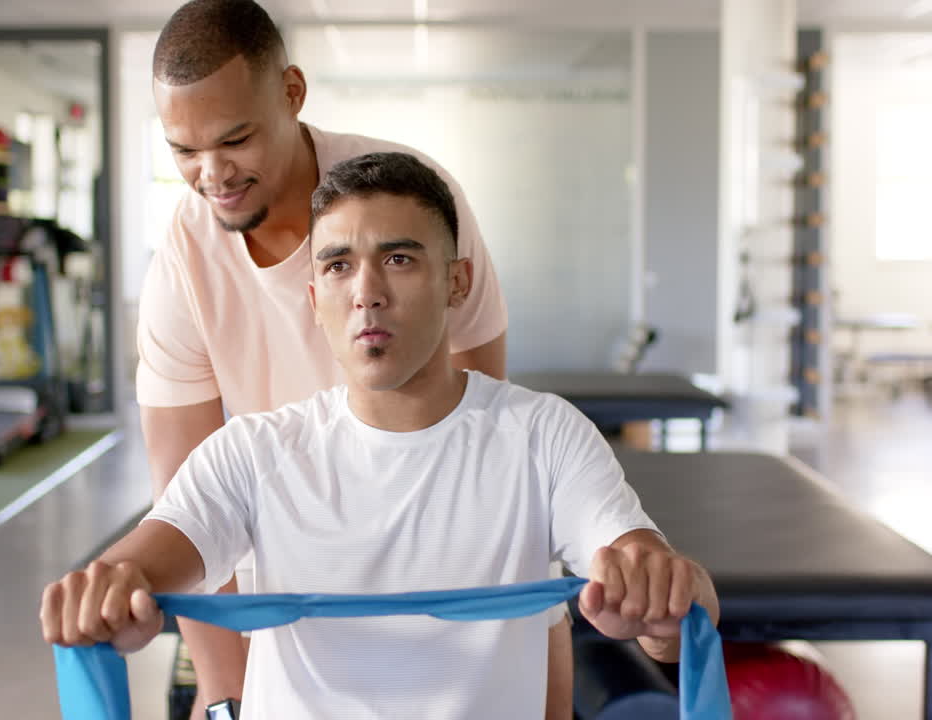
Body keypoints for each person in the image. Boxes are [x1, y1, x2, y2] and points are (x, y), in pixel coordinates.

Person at [43, 152, 720, 720]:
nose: (365, 292)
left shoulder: (542, 437)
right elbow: (149, 558)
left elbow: (653, 574)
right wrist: (108, 590)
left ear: (458, 282)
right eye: (337, 265)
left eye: (398, 259)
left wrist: (664, 603)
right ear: (315, 301)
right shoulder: (254, 453)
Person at [132, 0, 578, 717]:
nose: (212, 173)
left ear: (292, 93)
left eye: (235, 139)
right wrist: (226, 698)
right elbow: (187, 500)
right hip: (286, 587)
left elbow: (482, 445)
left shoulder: (412, 204)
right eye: (184, 150)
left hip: (452, 582)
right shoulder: (183, 263)